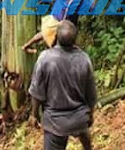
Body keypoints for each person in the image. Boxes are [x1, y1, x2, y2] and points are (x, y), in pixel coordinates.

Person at [29, 20, 97, 150]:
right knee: (84, 134)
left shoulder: (45, 58)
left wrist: (34, 114)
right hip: (79, 118)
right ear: (75, 39)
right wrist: (90, 115)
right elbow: (91, 95)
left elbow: (36, 92)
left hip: (55, 122)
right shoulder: (84, 59)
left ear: (56, 37)